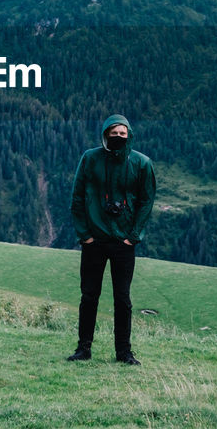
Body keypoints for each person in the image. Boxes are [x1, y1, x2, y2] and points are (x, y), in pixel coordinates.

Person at [67, 114, 156, 365]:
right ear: (105, 134)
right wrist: (84, 236)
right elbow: (77, 198)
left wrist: (133, 236)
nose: (117, 138)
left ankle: (124, 352)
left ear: (128, 136)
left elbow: (147, 202)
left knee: (123, 299)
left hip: (123, 242)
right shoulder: (90, 158)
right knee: (89, 296)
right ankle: (83, 348)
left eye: (122, 134)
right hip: (95, 240)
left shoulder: (141, 163)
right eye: (113, 133)